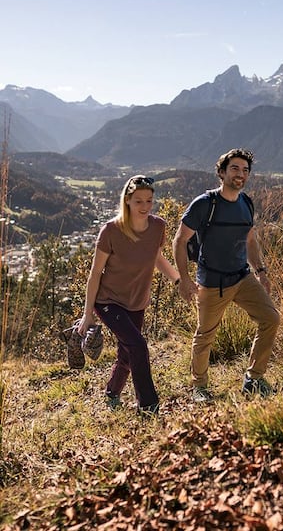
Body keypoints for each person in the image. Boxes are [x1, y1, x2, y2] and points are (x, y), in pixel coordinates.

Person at [173, 148, 280, 403]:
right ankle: (199, 386)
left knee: (271, 318)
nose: (240, 174)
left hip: (242, 278)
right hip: (212, 283)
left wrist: (261, 270)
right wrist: (185, 279)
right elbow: (180, 240)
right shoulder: (204, 204)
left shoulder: (246, 203)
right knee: (205, 335)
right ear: (221, 172)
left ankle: (253, 378)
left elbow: (250, 239)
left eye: (245, 170)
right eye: (235, 168)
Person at [77, 175, 180, 416]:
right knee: (138, 346)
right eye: (138, 202)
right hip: (108, 301)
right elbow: (94, 275)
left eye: (149, 201)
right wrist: (87, 314)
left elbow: (156, 258)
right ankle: (148, 406)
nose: (144, 207)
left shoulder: (158, 226)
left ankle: (112, 392)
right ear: (127, 201)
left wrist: (178, 280)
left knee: (127, 352)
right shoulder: (111, 231)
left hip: (137, 301)